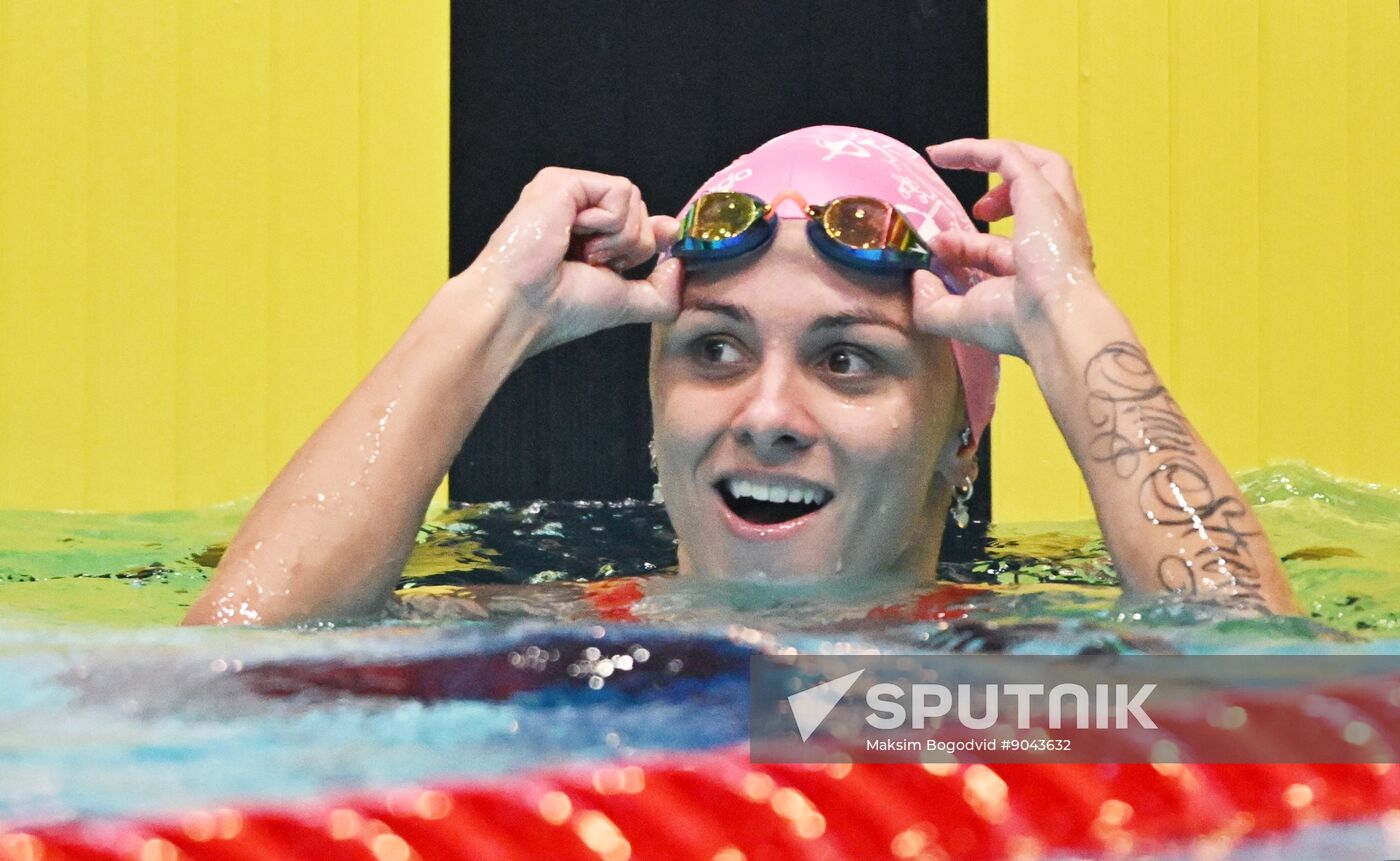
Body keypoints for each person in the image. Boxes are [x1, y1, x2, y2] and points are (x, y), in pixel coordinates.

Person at [183, 126, 1297, 626]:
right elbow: (230, 675)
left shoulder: (1029, 672)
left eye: (846, 361)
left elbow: (1275, 709)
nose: (765, 415)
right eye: (712, 350)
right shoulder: (540, 641)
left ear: (962, 437)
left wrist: (1071, 322)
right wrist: (489, 307)